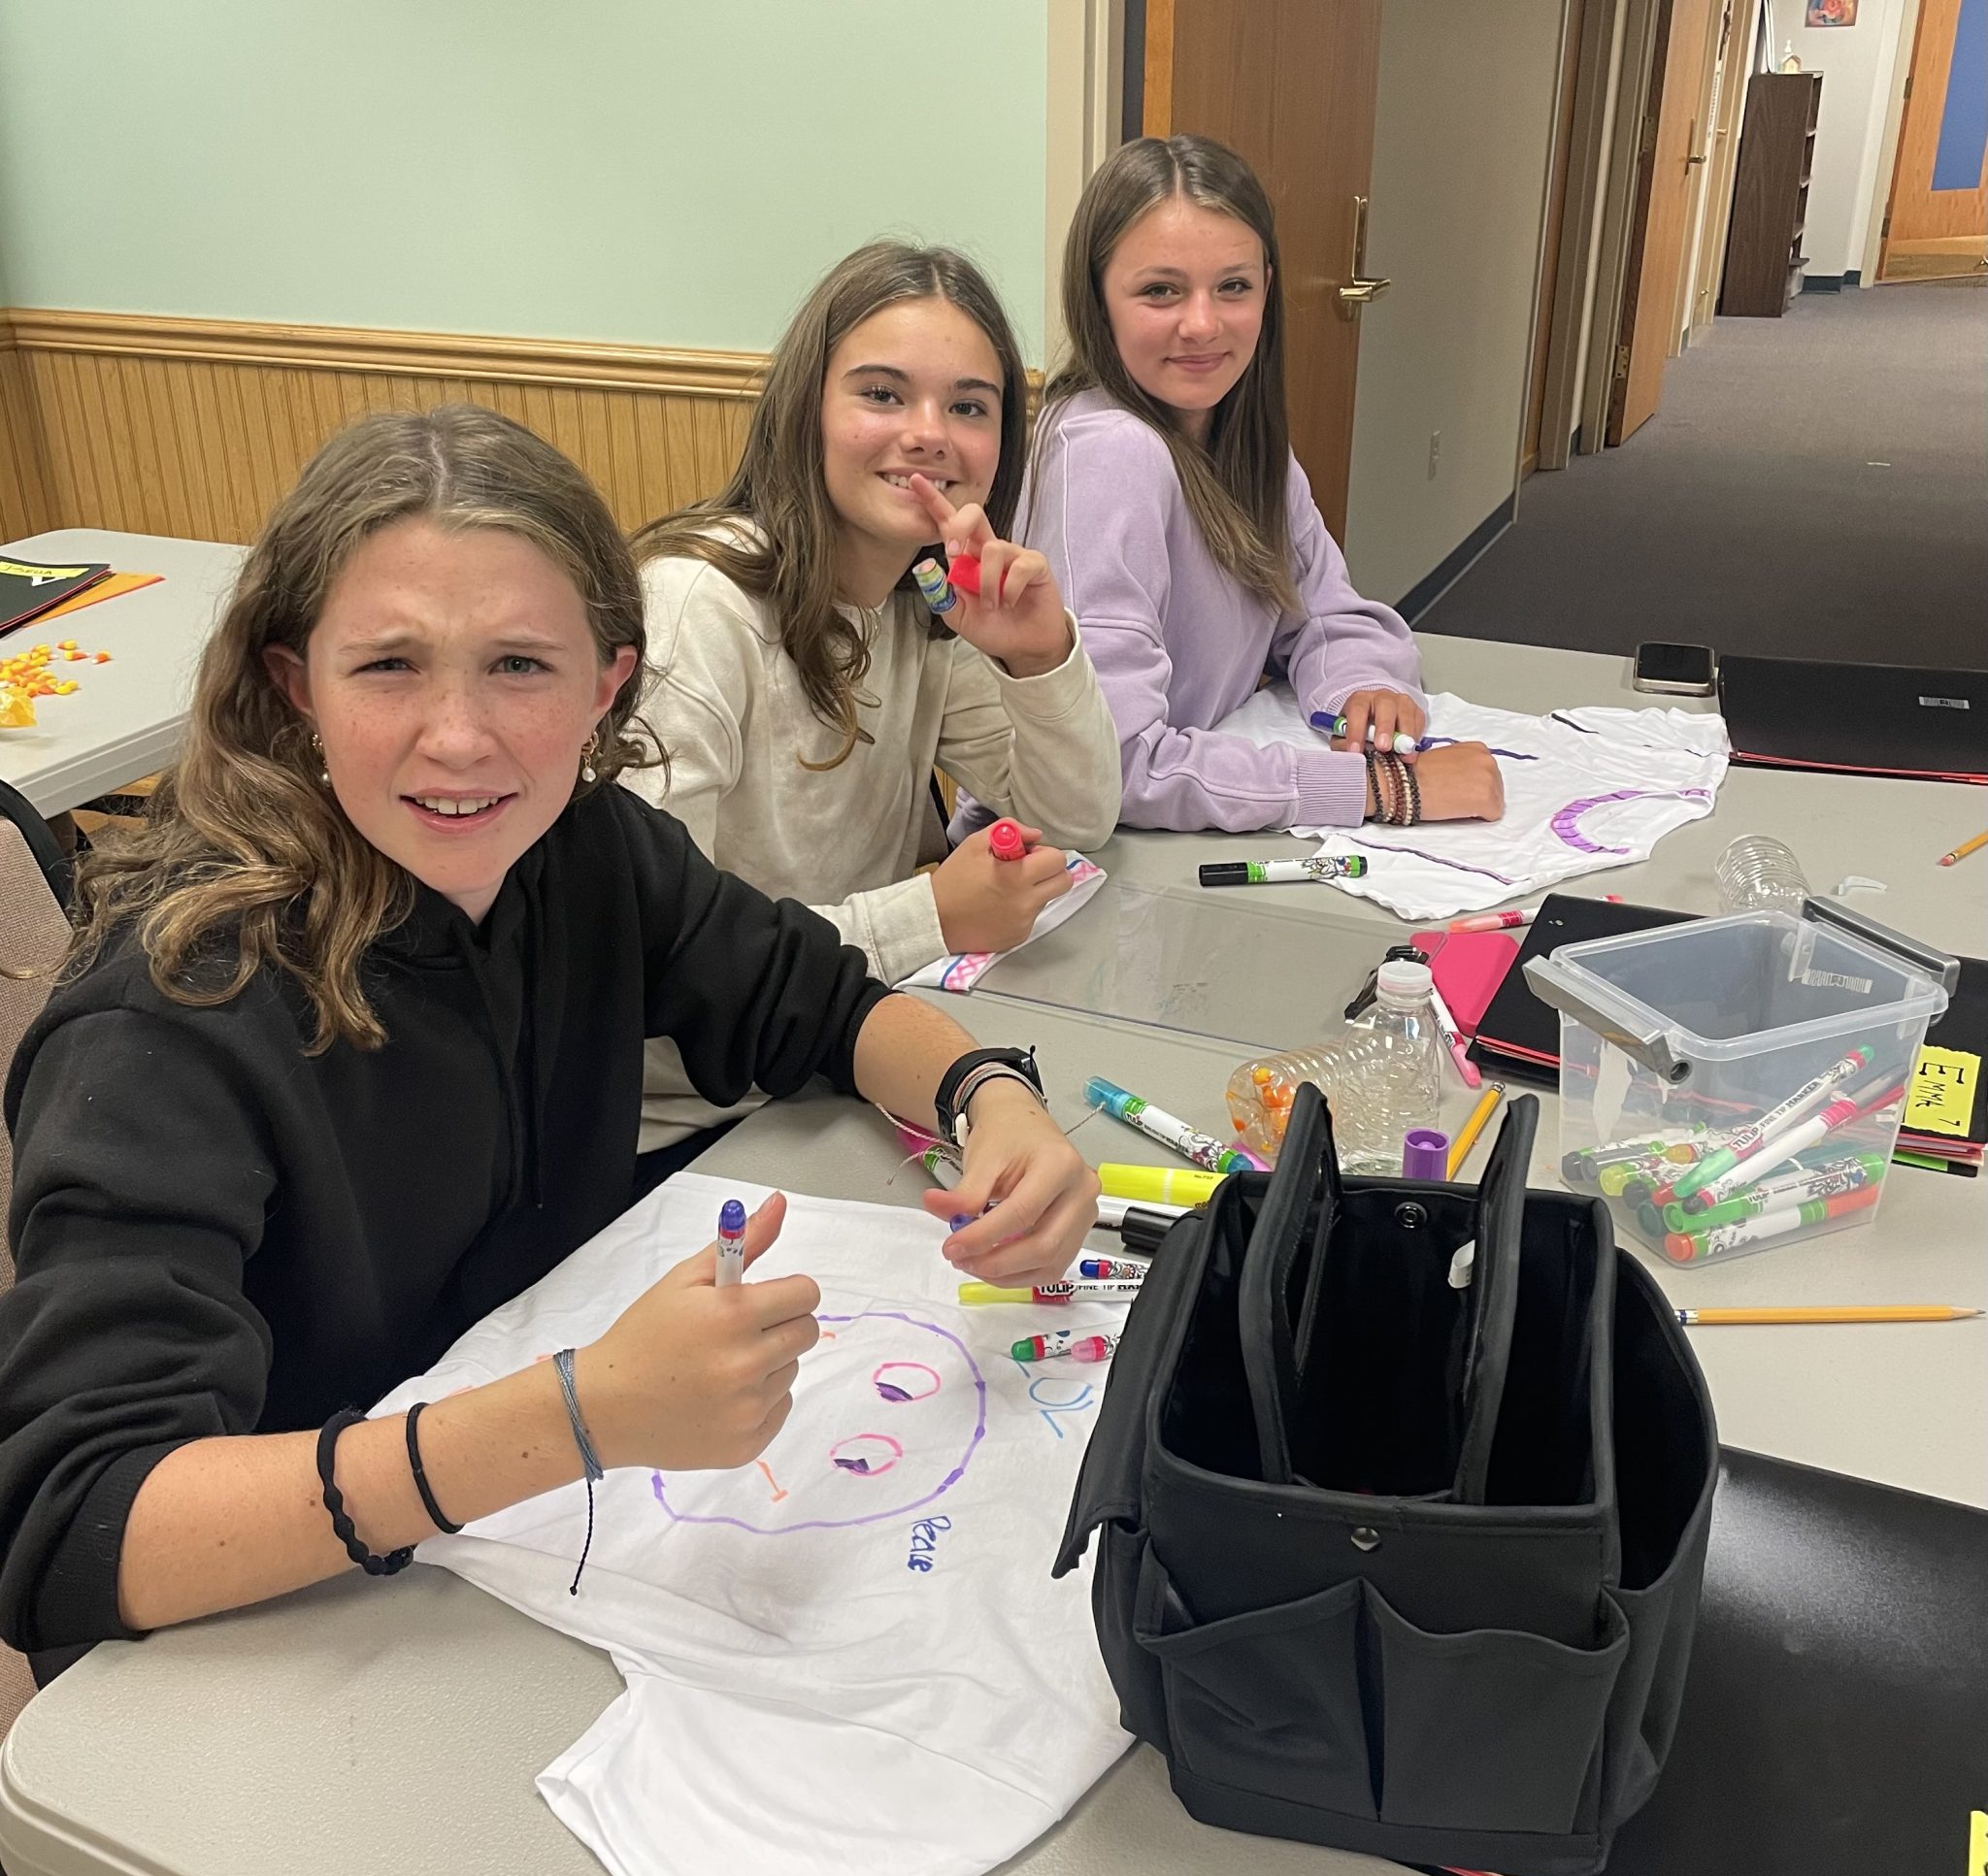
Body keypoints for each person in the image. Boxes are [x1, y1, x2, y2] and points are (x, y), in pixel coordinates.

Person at [0, 406, 1095, 1667]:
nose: (459, 736)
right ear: (298, 685)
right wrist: (569, 1416)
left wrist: (989, 1098)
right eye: (389, 664)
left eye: (519, 664)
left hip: (513, 1557)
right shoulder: (171, 1023)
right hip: (277, 1634)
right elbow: (70, 1523)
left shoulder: (586, 850)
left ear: (607, 684)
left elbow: (828, 1002)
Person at [625, 242, 1121, 1165]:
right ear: (806, 411)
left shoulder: (920, 596)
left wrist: (1038, 656)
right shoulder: (696, 609)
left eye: (968, 406)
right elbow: (657, 966)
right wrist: (932, 913)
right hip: (696, 1122)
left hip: (841, 1059)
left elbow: (1077, 816)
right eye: (883, 394)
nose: (929, 434)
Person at [1022, 134, 1505, 835]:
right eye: (1160, 290)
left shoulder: (1239, 438)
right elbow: (1110, 765)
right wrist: (1378, 786)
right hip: (1085, 860)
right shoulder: (1108, 454)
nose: (1202, 324)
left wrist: (1363, 685)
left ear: (1267, 290)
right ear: (1098, 301)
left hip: (1171, 837)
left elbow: (1323, 611)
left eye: (1233, 287)